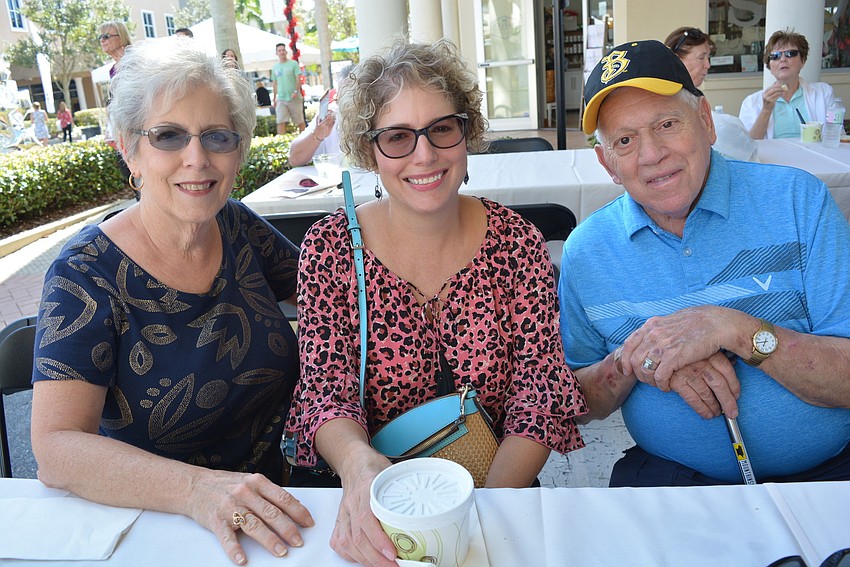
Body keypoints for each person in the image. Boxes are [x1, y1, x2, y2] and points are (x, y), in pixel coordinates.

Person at [286, 37, 586, 567]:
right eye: (397, 136)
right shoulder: (330, 249)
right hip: (380, 510)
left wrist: (483, 515)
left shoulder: (514, 241)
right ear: (367, 149)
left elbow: (539, 392)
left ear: (465, 133)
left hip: (502, 496)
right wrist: (359, 467)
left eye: (441, 129)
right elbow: (324, 391)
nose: (424, 155)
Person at [30, 37, 314, 566]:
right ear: (127, 149)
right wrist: (195, 491)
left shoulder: (235, 226)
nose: (197, 159)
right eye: (168, 135)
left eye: (217, 136)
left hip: (278, 520)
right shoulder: (86, 274)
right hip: (153, 533)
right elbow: (56, 449)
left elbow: (328, 294)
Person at [559, 39, 850, 488]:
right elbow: (579, 400)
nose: (651, 154)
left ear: (706, 121)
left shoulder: (797, 200)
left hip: (827, 474)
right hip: (670, 477)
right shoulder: (587, 250)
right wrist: (640, 357)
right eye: (625, 140)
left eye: (667, 123)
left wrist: (735, 330)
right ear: (607, 163)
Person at [665, 26, 757, 162]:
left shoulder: (694, 95)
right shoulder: (666, 100)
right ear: (678, 60)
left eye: (708, 57)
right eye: (701, 57)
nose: (707, 65)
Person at [739, 29, 836, 139]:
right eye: (775, 56)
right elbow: (748, 145)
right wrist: (766, 109)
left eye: (790, 54)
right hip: (773, 156)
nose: (783, 59)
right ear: (769, 66)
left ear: (803, 61)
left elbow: (836, 133)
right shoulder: (751, 102)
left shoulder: (824, 93)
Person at [286, 65, 352, 167]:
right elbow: (294, 159)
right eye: (342, 94)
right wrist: (317, 134)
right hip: (338, 180)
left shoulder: (376, 117)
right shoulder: (330, 115)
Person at [99, 19, 135, 198]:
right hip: (123, 129)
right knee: (129, 174)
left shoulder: (133, 61)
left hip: (136, 127)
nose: (102, 40)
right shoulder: (114, 68)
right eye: (100, 37)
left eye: (106, 36)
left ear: (121, 37)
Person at [272, 43, 305, 134]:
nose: (281, 52)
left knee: (300, 121)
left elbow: (298, 79)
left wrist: (295, 91)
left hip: (294, 97)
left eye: (283, 50)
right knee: (280, 121)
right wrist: (274, 98)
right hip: (281, 99)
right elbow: (275, 84)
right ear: (276, 53)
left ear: (286, 51)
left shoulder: (293, 64)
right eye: (279, 50)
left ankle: (304, 140)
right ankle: (282, 142)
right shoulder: (275, 67)